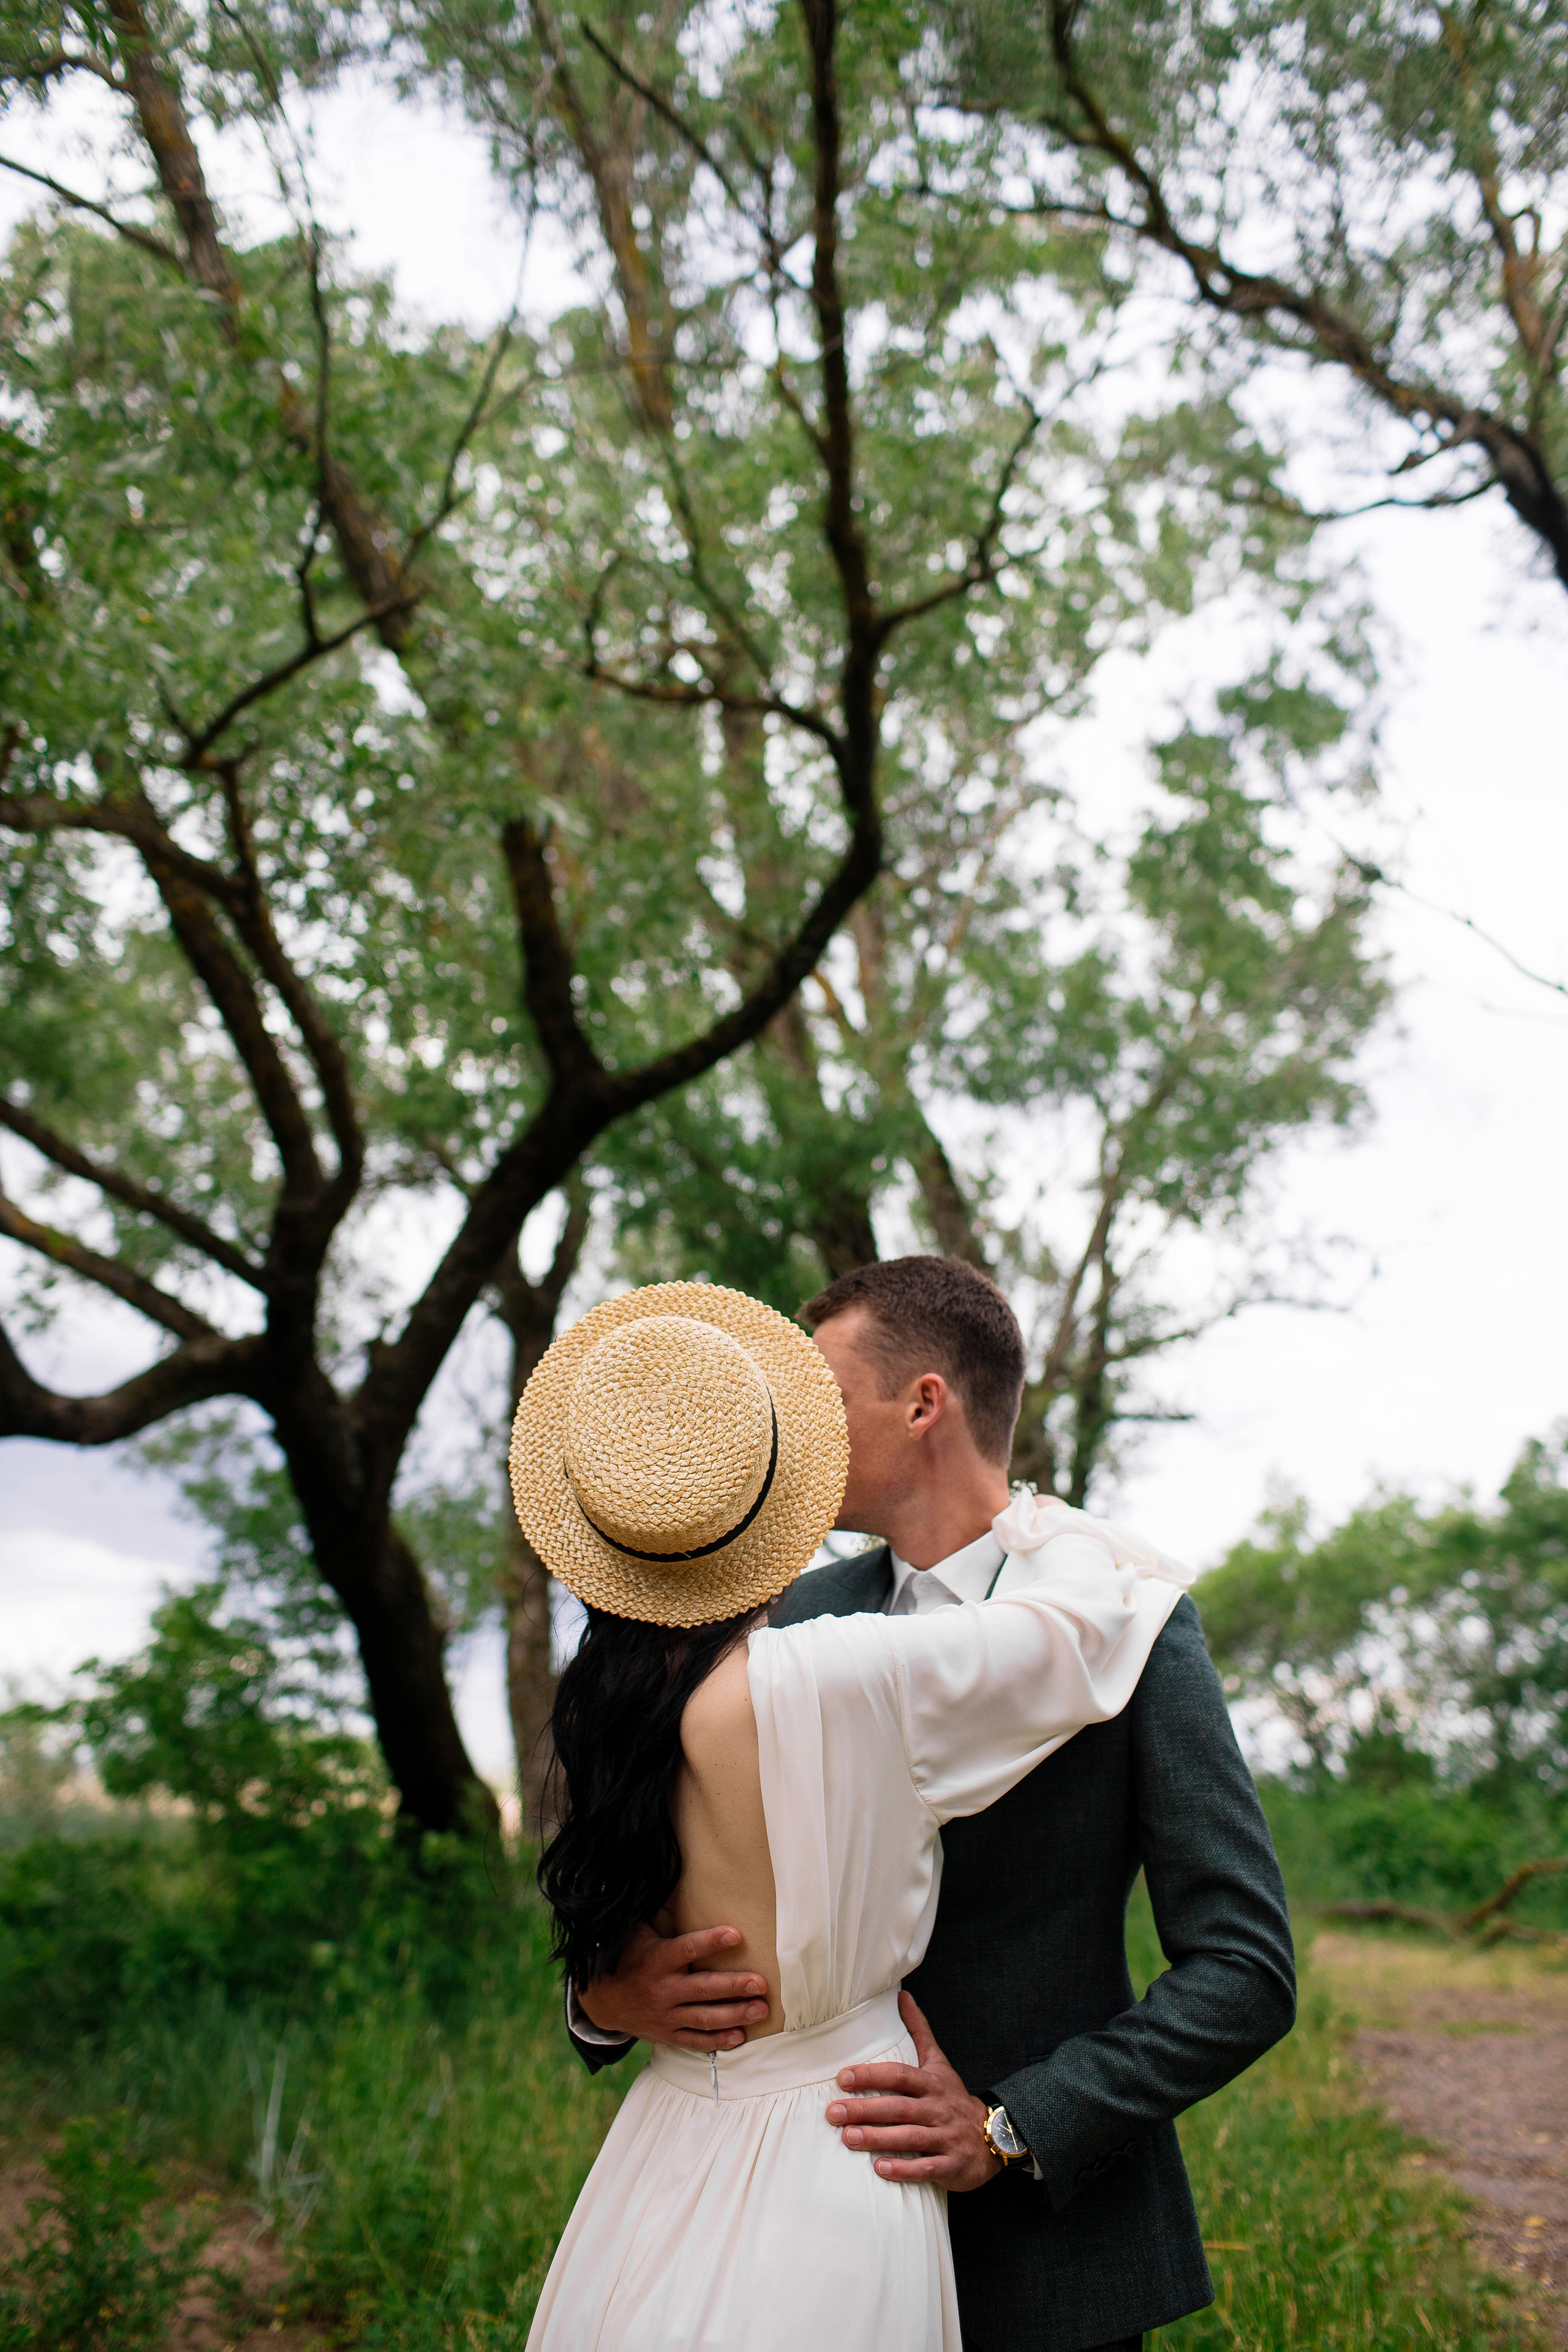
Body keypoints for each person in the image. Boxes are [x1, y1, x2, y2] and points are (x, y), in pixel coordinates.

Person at [568, 1257, 1297, 2352]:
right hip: (794, 2233)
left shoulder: (1141, 1630)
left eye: (820, 1398)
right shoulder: (784, 1625)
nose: (790, 1436)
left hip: (1048, 2259)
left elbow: (1245, 1970)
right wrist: (603, 1996)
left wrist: (1016, 2126)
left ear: (924, 1405)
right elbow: (636, 1848)